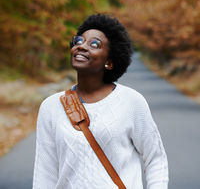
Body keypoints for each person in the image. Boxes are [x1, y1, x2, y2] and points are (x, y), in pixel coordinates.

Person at [33, 13, 168, 189]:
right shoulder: (51, 107)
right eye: (79, 41)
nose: (81, 47)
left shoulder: (131, 102)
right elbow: (45, 172)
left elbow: (155, 159)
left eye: (94, 44)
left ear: (109, 62)